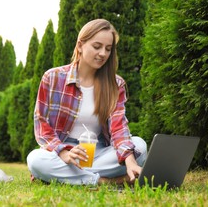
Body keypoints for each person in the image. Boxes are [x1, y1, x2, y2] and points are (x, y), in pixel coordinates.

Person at [27, 19, 147, 186]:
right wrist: (64, 153)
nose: (103, 53)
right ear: (80, 45)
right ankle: (105, 181)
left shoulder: (115, 84)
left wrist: (130, 161)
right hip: (64, 152)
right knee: (35, 159)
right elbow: (41, 126)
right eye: (97, 46)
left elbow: (119, 127)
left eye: (108, 49)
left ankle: (64, 177)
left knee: (139, 146)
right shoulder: (52, 78)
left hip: (99, 153)